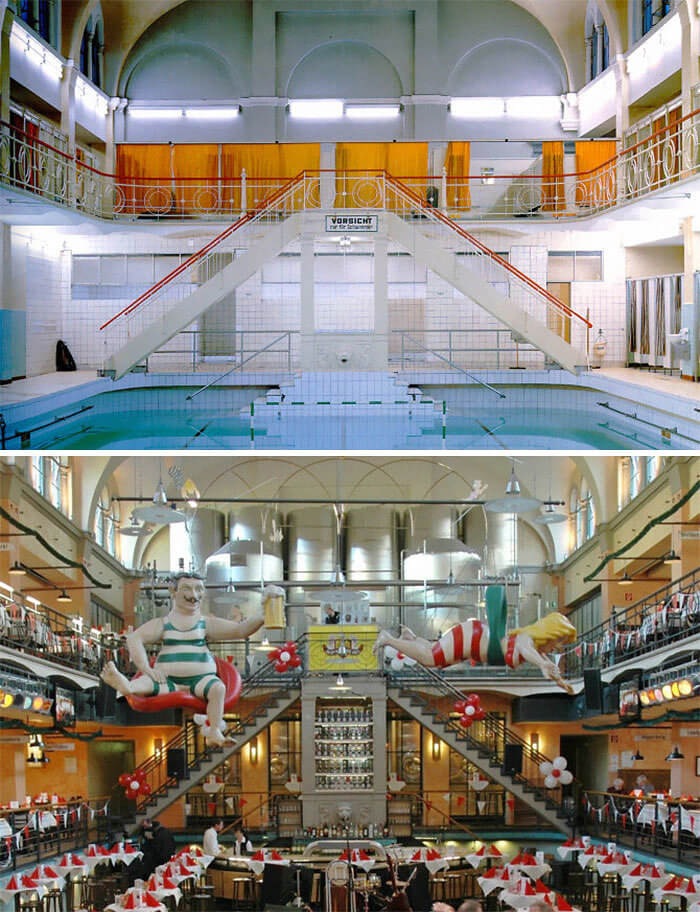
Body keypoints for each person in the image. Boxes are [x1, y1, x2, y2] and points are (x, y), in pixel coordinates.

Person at [101, 573, 264, 745]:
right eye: (187, 588)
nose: (194, 595)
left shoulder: (205, 623)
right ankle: (127, 687)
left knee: (218, 689)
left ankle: (215, 730)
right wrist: (146, 668)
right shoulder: (163, 624)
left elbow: (241, 630)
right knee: (146, 683)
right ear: (173, 591)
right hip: (168, 680)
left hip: (200, 680)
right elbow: (134, 638)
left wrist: (262, 615)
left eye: (199, 589)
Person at [374, 586, 577, 693]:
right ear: (550, 634)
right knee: (431, 658)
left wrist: (563, 683)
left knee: (438, 659)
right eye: (559, 640)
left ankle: (412, 638)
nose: (557, 647)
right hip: (475, 638)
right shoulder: (526, 640)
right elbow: (531, 654)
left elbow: (549, 668)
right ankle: (389, 639)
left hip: (476, 643)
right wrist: (542, 665)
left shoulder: (538, 651)